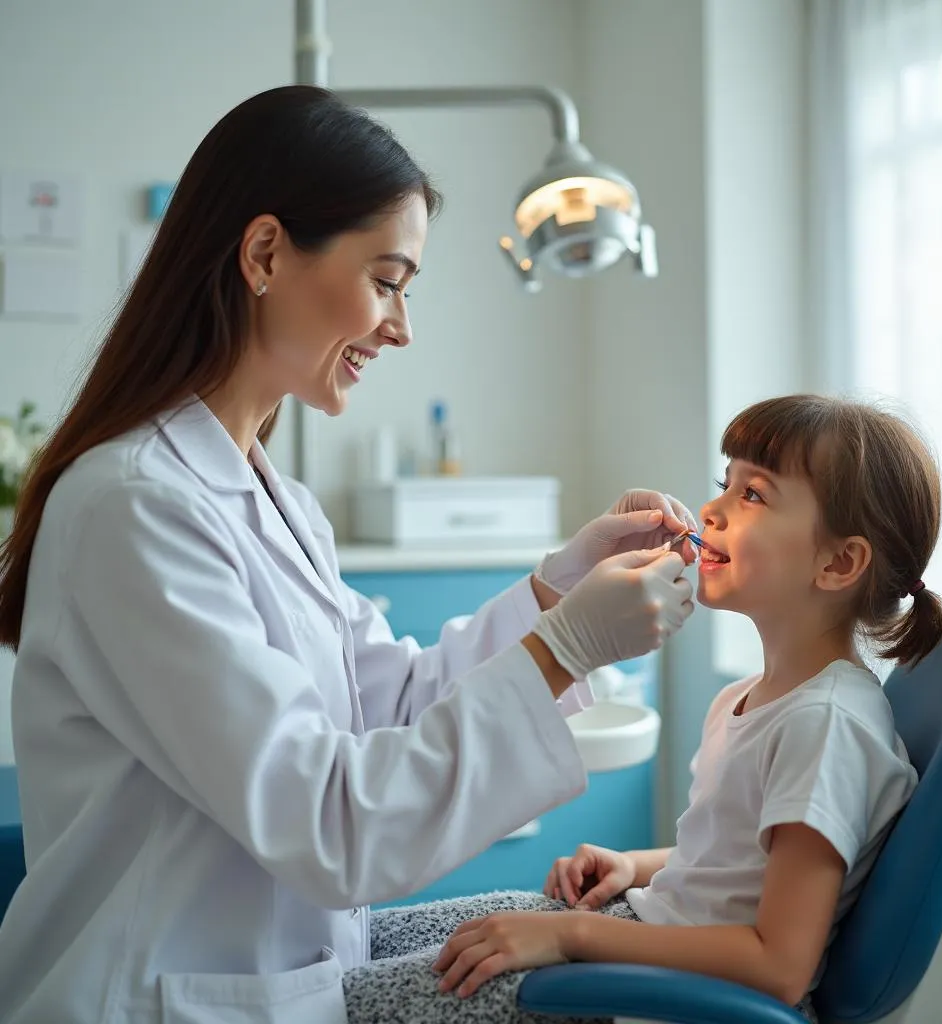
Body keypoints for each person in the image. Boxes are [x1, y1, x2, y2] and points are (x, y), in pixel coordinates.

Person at [0, 86, 698, 1024]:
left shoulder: (276, 501)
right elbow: (330, 825)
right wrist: (565, 648)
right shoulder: (136, 507)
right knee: (567, 984)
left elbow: (387, 706)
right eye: (385, 280)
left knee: (556, 934)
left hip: (268, 975)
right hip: (151, 999)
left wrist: (555, 589)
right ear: (264, 254)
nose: (400, 327)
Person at [334, 395, 942, 1024]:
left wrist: (570, 936)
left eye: (754, 495)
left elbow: (779, 966)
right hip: (637, 932)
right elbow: (735, 871)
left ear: (838, 562)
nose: (711, 510)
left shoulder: (826, 725)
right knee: (361, 944)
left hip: (659, 997)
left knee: (341, 1002)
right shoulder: (746, 700)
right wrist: (635, 866)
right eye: (724, 484)